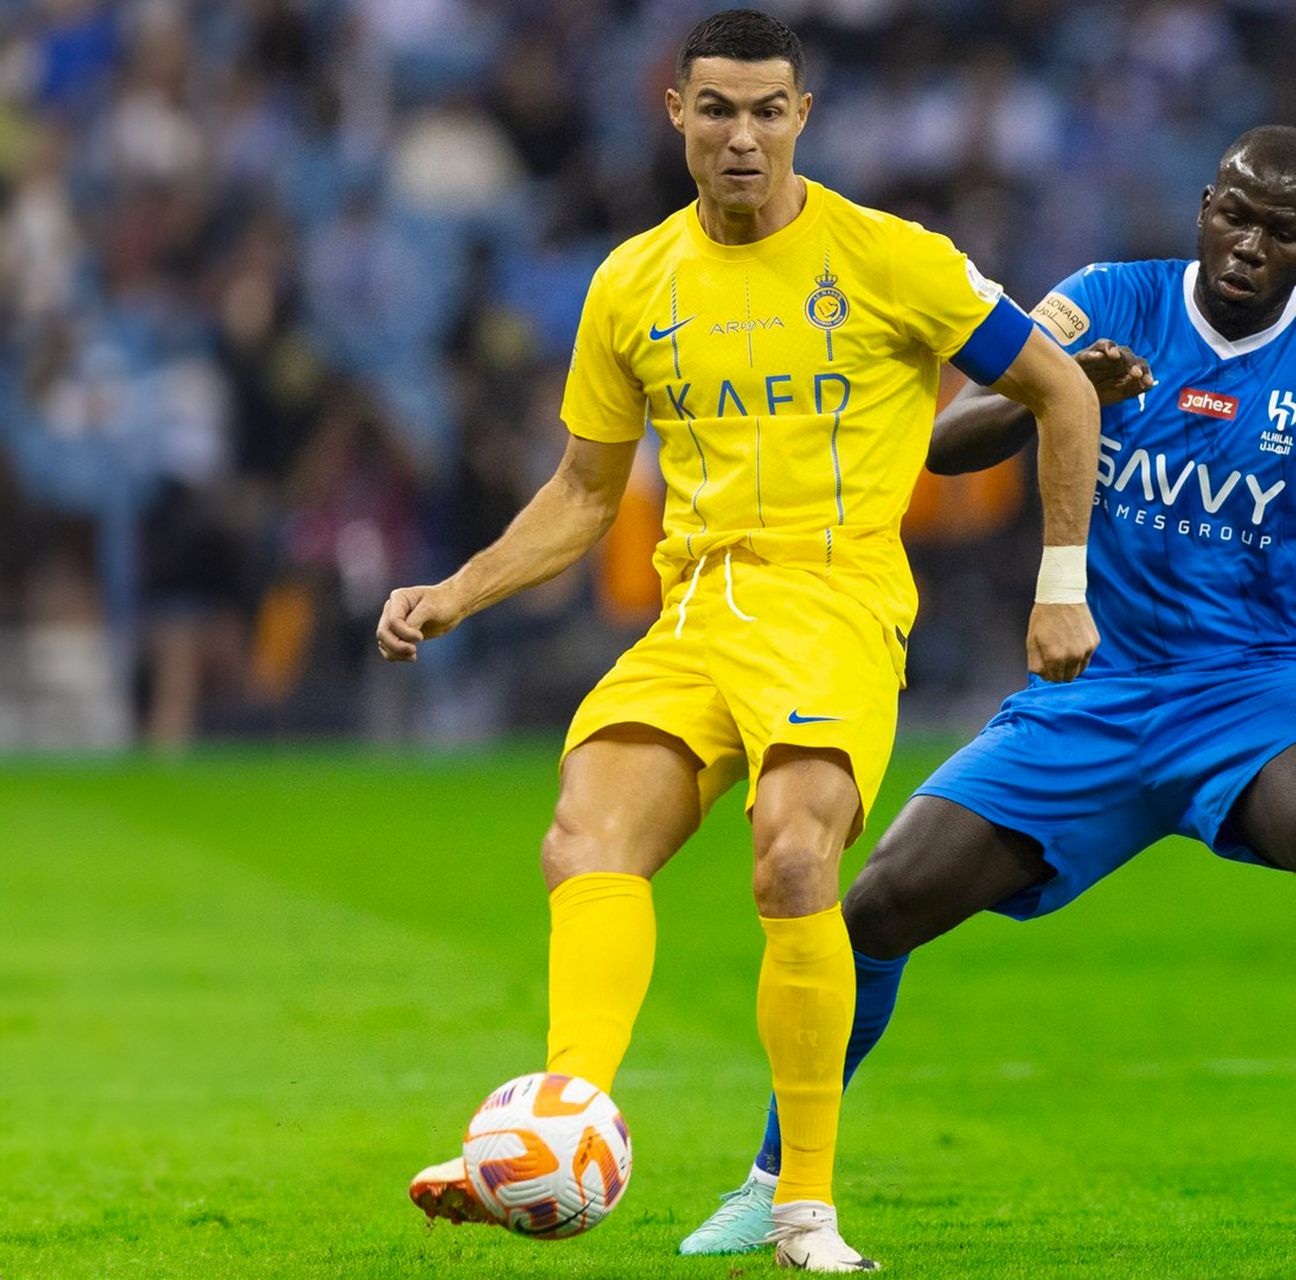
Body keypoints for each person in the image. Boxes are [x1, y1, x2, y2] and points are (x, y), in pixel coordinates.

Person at [678, 124, 1296, 1258]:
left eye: (1281, 234)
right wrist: (1064, 393)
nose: (1249, 245)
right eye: (1235, 215)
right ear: (1204, 205)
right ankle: (778, 1180)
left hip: (1253, 694)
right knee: (877, 906)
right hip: (1090, 697)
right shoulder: (1103, 299)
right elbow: (948, 445)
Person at [375, 11, 1101, 1271]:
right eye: (718, 109)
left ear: (803, 117)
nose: (743, 135)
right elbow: (586, 493)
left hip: (833, 597)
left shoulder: (893, 258)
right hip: (698, 603)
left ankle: (803, 1208)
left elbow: (1062, 385)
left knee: (792, 857)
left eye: (769, 110)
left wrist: (1061, 583)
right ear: (676, 114)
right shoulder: (632, 282)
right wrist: (461, 587)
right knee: (583, 834)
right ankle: (552, 1132)